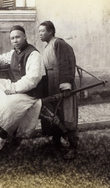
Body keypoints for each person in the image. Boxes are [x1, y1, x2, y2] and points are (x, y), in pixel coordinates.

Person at [38, 21, 79, 160]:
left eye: (42, 31)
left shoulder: (59, 44)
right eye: (39, 31)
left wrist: (66, 84)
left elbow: (65, 63)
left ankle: (73, 146)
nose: (40, 34)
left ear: (51, 31)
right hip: (51, 85)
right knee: (54, 114)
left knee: (67, 114)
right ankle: (56, 143)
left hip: (61, 84)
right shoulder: (47, 47)